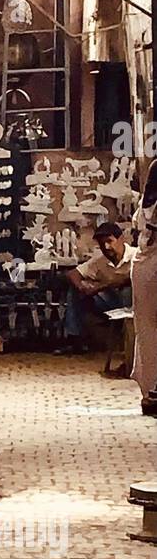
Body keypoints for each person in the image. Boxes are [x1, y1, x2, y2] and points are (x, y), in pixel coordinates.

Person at [63, 221, 134, 350]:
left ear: (121, 239)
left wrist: (98, 286)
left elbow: (125, 278)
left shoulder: (136, 255)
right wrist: (82, 286)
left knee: (126, 290)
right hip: (111, 302)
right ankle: (75, 339)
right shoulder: (100, 260)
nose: (106, 247)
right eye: (102, 244)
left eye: (109, 241)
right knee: (74, 291)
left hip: (135, 304)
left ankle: (128, 339)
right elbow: (73, 274)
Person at [132, 161, 157, 414]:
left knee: (147, 329)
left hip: (144, 264)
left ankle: (151, 391)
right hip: (151, 264)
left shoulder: (144, 207)